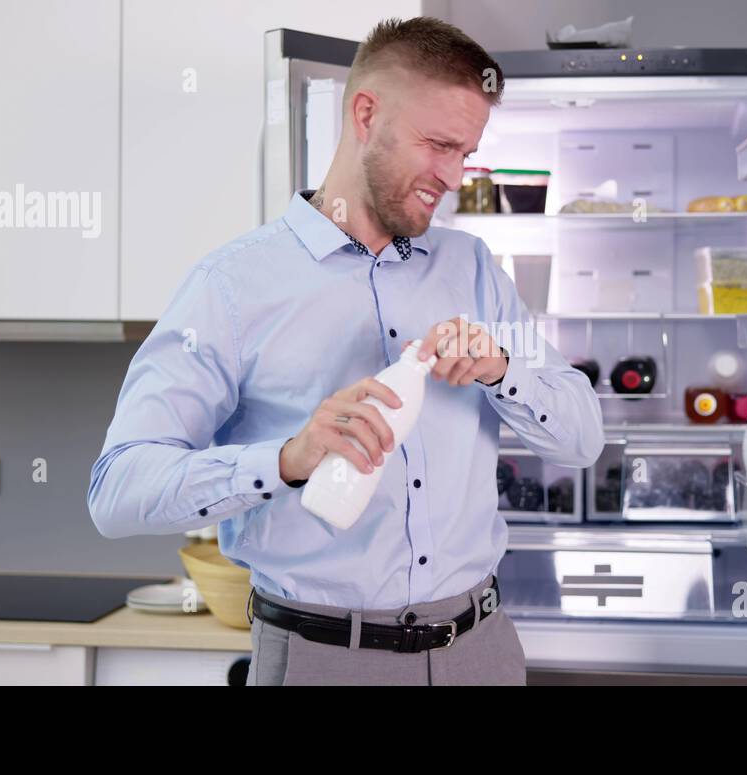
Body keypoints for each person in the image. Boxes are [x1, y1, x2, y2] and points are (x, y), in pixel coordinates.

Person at [87, 16, 603, 685]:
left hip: (481, 652)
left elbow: (583, 438)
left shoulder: (474, 269)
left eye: (465, 153)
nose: (452, 176)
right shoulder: (233, 287)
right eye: (438, 145)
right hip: (324, 659)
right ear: (365, 113)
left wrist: (503, 370)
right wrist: (286, 459)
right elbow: (118, 489)